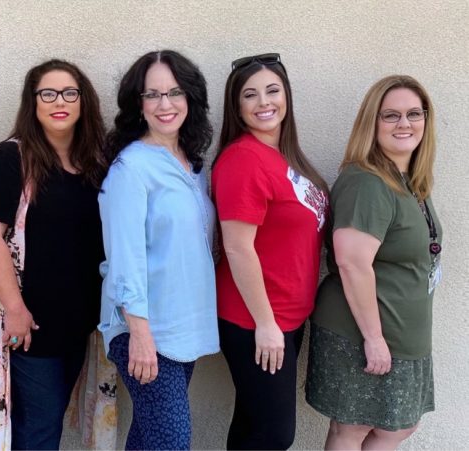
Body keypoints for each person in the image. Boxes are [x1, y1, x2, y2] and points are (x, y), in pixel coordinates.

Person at [0, 59, 114, 450]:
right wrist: (16, 308)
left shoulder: (93, 163)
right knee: (38, 432)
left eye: (69, 93)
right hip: (30, 329)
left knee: (48, 424)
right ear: (33, 103)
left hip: (78, 325)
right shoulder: (13, 158)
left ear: (83, 102)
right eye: (48, 93)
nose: (59, 101)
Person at [306, 75, 440, 450]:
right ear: (372, 122)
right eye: (391, 115)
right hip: (364, 333)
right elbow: (351, 264)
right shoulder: (368, 182)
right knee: (353, 428)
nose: (404, 123)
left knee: (396, 428)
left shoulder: (409, 180)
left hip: (401, 334)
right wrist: (375, 339)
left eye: (414, 113)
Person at [98, 49, 218, 450]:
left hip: (183, 327)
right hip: (146, 329)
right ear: (139, 104)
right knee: (172, 442)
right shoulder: (131, 169)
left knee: (151, 437)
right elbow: (124, 258)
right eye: (153, 95)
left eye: (175, 92)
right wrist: (141, 333)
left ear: (191, 99)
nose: (165, 104)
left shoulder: (194, 167)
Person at [211, 53, 329, 450]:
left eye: (273, 90)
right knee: (274, 436)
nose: (264, 102)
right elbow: (238, 248)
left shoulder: (283, 157)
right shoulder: (243, 160)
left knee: (253, 428)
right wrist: (266, 324)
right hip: (256, 320)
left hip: (287, 317)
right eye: (251, 95)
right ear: (237, 107)